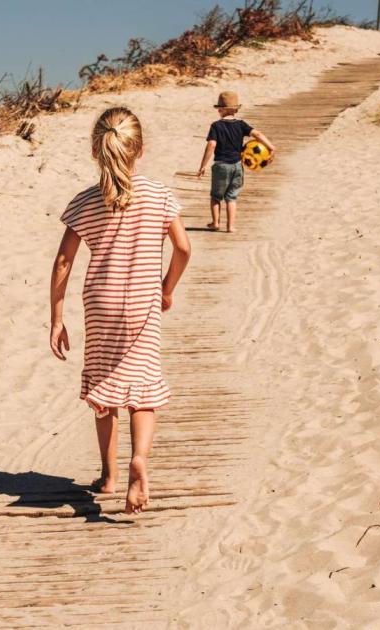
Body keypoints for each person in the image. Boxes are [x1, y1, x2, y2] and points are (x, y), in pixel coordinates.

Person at [50, 107, 191, 515]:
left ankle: (109, 476)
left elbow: (63, 262)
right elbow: (183, 249)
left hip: (100, 304)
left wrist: (57, 319)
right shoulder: (160, 195)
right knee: (142, 387)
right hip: (142, 302)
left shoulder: (85, 202)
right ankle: (140, 459)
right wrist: (166, 290)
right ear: (140, 150)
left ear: (96, 151)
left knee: (103, 388)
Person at [197, 91, 275, 233]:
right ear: (236, 109)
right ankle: (230, 226)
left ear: (220, 110)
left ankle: (215, 223)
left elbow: (211, 145)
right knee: (231, 197)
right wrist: (271, 147)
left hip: (221, 166)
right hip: (238, 166)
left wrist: (203, 165)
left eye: (219, 109)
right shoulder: (241, 125)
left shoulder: (216, 126)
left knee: (216, 196)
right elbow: (257, 134)